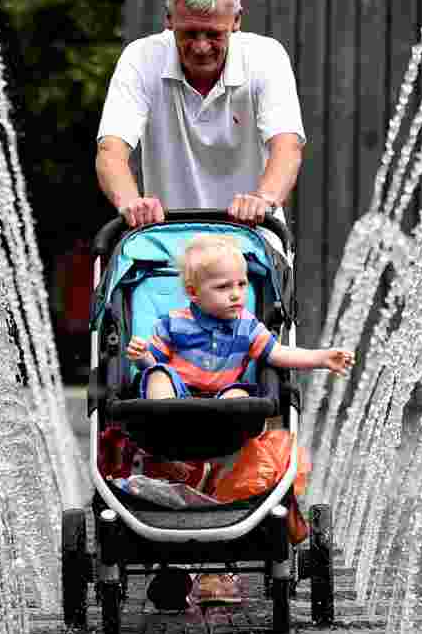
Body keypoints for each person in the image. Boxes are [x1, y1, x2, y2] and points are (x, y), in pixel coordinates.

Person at [125, 234, 353, 609]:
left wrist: (321, 358)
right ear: (193, 293)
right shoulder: (172, 324)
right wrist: (142, 359)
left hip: (224, 412)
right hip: (175, 406)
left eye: (242, 284)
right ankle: (165, 414)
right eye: (223, 287)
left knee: (241, 396)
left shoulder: (247, 327)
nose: (236, 294)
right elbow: (152, 361)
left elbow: (278, 354)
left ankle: (204, 564)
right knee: (158, 374)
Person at [96, 0, 305, 231]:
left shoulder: (266, 57)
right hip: (165, 238)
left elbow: (287, 147)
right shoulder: (140, 58)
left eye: (214, 34)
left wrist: (263, 200)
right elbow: (111, 150)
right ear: (169, 19)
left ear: (237, 20)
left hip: (252, 237)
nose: (201, 47)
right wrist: (130, 202)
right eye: (189, 33)